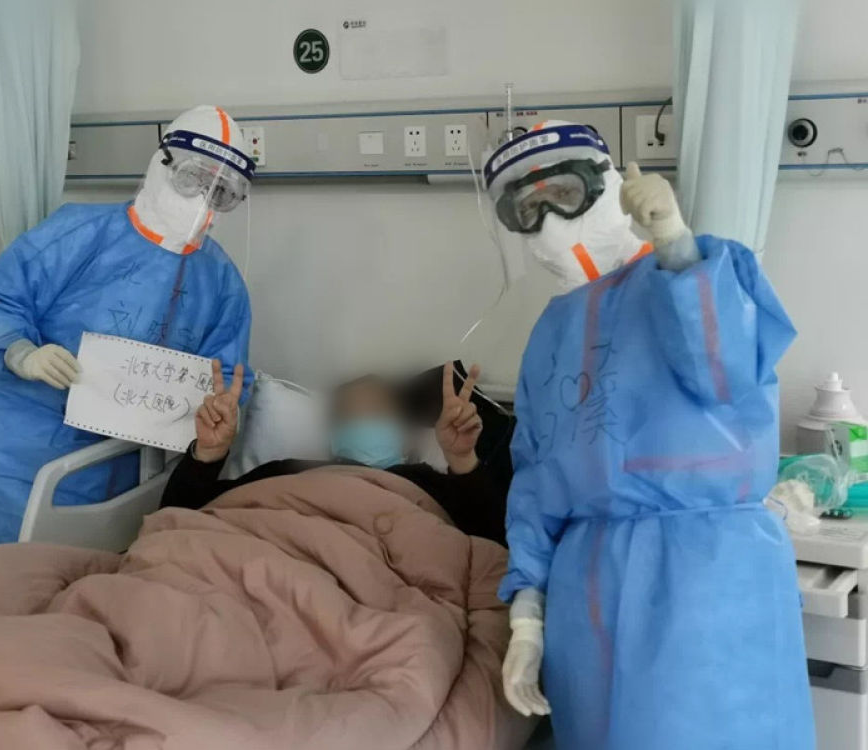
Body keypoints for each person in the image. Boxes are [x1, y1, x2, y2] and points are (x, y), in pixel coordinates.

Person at [487, 121, 814, 748]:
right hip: (586, 590)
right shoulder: (552, 333)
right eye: (526, 210)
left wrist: (674, 244)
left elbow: (727, 369)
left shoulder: (701, 274)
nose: (548, 223)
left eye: (563, 194)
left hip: (706, 581)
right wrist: (527, 619)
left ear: (607, 185)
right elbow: (535, 482)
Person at [0, 105, 256, 570]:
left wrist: (219, 410)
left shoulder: (222, 281)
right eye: (193, 179)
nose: (203, 201)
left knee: (89, 593)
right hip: (16, 459)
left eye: (221, 192)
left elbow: (228, 378)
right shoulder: (79, 234)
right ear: (162, 165)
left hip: (122, 471)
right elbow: (0, 303)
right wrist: (22, 353)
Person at [161, 362, 508, 545]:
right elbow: (179, 517)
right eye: (347, 416)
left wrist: (462, 460)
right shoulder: (288, 472)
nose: (362, 420)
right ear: (332, 438)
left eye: (377, 413)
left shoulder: (427, 485)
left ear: (406, 438)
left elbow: (492, 542)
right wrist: (209, 453)